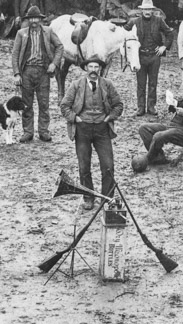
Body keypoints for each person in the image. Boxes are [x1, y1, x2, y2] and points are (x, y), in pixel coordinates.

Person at [59, 57, 124, 210]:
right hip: (83, 129)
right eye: (91, 66)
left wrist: (109, 117)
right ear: (86, 68)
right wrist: (76, 118)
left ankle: (107, 198)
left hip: (102, 129)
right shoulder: (76, 85)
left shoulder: (107, 85)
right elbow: (64, 106)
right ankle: (88, 198)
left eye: (97, 67)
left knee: (108, 165)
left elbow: (118, 105)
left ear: (100, 69)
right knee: (84, 166)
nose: (94, 70)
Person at [10, 6, 63, 142]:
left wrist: (54, 64)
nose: (34, 21)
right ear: (28, 20)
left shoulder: (48, 31)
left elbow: (59, 46)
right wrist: (17, 73)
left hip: (43, 71)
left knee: (44, 103)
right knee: (26, 104)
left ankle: (43, 131)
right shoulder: (21, 33)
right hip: (26, 71)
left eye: (36, 18)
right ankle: (28, 132)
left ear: (40, 19)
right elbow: (15, 54)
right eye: (31, 18)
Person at [136, 76, 183, 165]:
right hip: (172, 126)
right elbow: (177, 106)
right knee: (143, 128)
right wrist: (172, 103)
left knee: (158, 136)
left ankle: (148, 158)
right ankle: (158, 156)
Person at [126, 0, 173, 116]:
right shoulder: (134, 21)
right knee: (141, 83)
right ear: (141, 10)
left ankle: (151, 107)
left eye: (149, 9)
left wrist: (164, 47)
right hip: (140, 56)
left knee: (153, 83)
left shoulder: (159, 21)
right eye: (145, 9)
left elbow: (169, 33)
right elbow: (124, 32)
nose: (147, 12)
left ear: (153, 10)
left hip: (154, 56)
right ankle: (140, 107)